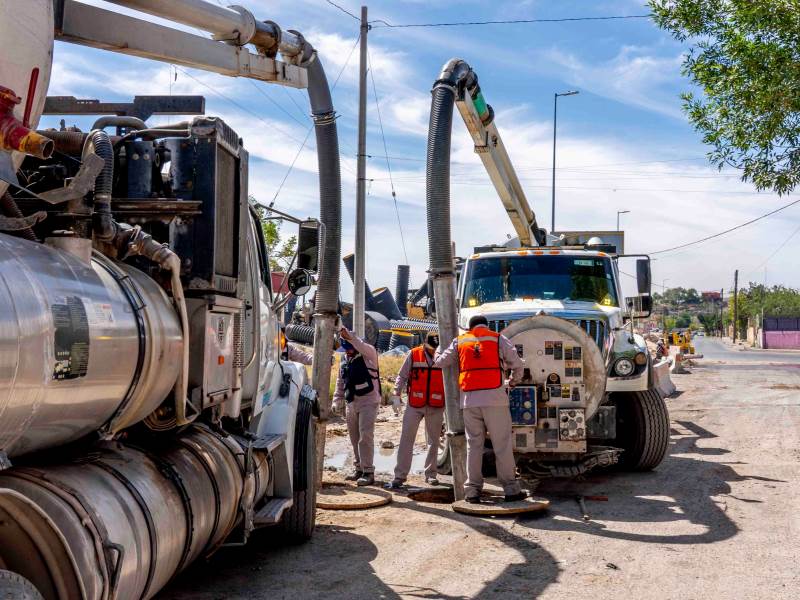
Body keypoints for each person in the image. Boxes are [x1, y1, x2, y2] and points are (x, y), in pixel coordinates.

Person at [434, 315, 526, 504]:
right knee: (502, 445)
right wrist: (513, 382)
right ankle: (510, 489)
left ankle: (472, 491)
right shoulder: (498, 338)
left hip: (469, 400)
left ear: (470, 327)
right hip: (496, 400)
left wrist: (436, 351)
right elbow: (518, 364)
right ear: (487, 325)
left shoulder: (460, 341)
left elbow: (441, 362)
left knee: (474, 445)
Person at [385, 332, 445, 489]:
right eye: (431, 348)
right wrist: (396, 394)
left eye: (436, 349)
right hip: (414, 404)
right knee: (406, 439)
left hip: (436, 404)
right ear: (425, 345)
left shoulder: (445, 356)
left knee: (433, 442)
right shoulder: (414, 354)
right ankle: (400, 476)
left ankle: (431, 474)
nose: (434, 351)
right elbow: (402, 376)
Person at [332, 327, 381, 486]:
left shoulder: (369, 353)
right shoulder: (345, 359)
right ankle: (359, 468)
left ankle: (368, 472)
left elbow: (360, 345)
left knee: (365, 437)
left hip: (368, 401)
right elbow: (341, 381)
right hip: (351, 402)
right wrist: (337, 399)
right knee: (354, 438)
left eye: (349, 349)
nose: (347, 352)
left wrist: (350, 337)